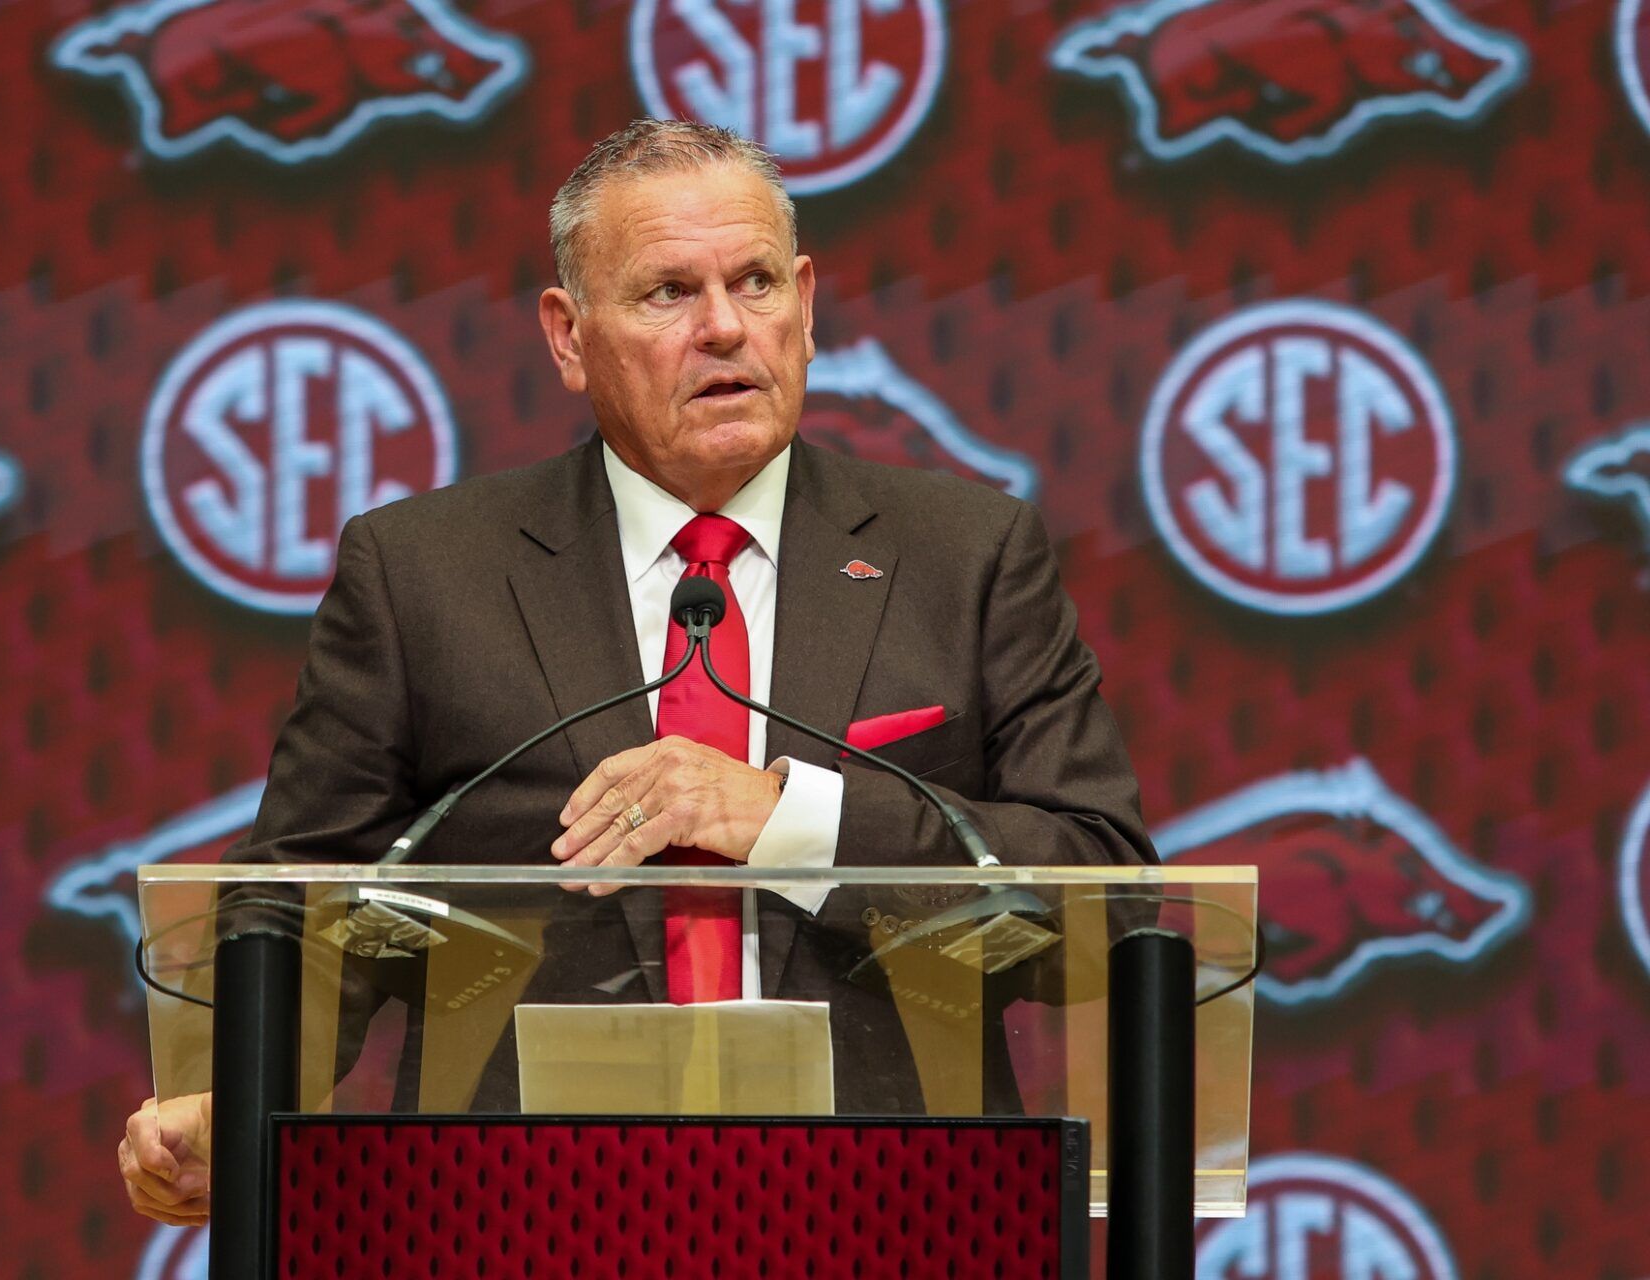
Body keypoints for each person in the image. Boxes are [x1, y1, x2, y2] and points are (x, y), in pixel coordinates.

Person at [118, 119, 1156, 1226]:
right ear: (568, 337)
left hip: (891, 1214)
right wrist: (235, 1096)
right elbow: (302, 905)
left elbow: (1101, 893)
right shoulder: (425, 575)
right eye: (667, 292)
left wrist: (789, 815)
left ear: (806, 303)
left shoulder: (966, 556)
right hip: (524, 1219)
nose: (725, 328)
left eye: (756, 281)